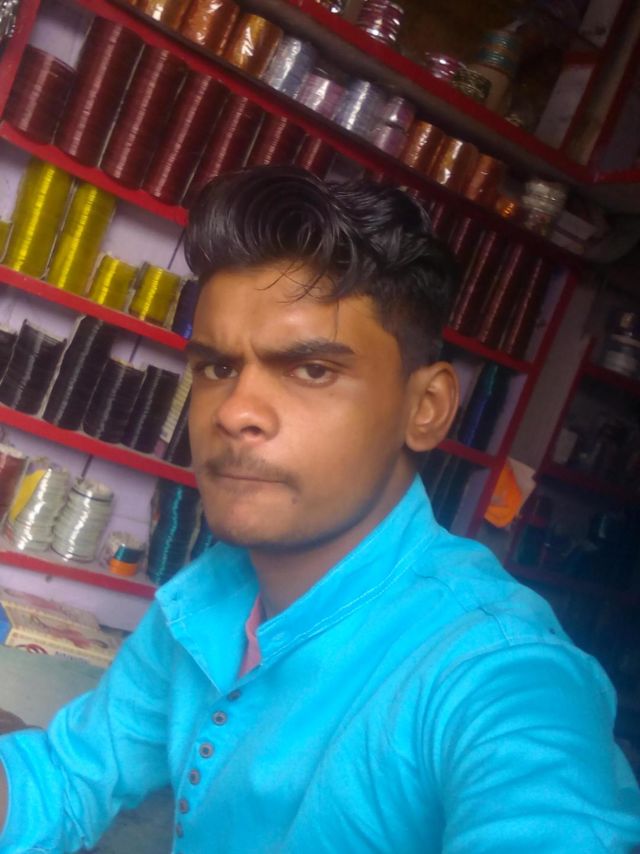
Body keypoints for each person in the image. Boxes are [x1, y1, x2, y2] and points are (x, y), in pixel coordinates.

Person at [0, 165, 639, 853]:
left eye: (312, 369)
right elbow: (67, 776)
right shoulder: (205, 598)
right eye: (217, 367)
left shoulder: (496, 672)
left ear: (425, 408)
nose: (234, 412)